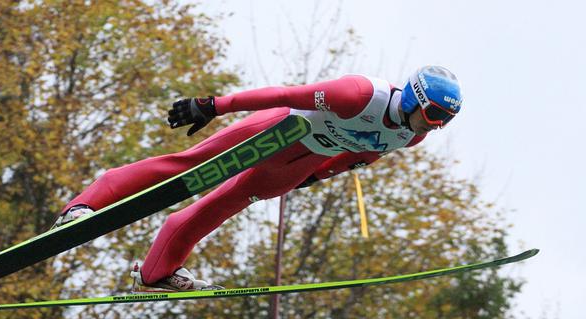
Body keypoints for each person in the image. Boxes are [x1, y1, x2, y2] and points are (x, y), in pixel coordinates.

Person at [54, 65, 463, 291]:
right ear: (414, 97)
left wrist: (318, 177)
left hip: (298, 163)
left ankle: (155, 274)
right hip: (279, 129)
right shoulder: (357, 94)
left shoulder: (411, 136)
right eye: (433, 115)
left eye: (445, 122)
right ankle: (82, 206)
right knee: (187, 165)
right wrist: (214, 105)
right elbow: (284, 94)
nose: (435, 126)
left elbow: (362, 154)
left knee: (221, 206)